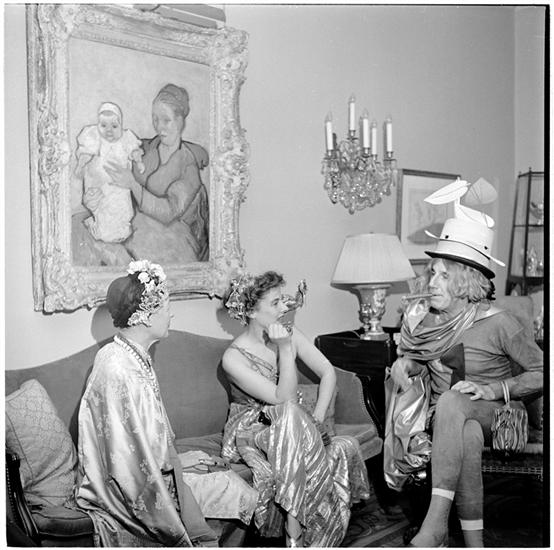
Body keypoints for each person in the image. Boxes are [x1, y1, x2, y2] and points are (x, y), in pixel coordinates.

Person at [390, 186, 543, 547]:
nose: (432, 283)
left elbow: (543, 372)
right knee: (467, 433)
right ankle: (475, 544)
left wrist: (492, 389)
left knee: (453, 403)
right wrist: (407, 365)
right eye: (432, 274)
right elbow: (424, 361)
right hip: (453, 421)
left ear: (465, 280)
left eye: (444, 276)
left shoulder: (501, 322)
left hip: (504, 418)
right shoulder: (428, 321)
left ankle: (434, 525)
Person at [75, 260, 256, 546]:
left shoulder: (131, 354)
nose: (171, 314)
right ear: (146, 316)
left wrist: (178, 460)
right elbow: (125, 457)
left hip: (150, 468)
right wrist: (174, 468)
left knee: (226, 478)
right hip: (130, 488)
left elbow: (142, 439)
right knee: (234, 489)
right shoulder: (118, 367)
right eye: (166, 307)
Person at [221, 271, 370, 547]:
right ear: (251, 311)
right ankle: (294, 522)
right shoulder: (233, 358)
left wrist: (319, 417)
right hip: (253, 429)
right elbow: (284, 398)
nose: (284, 308)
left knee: (336, 442)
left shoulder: (287, 332)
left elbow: (327, 372)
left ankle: (300, 526)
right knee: (289, 413)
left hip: (293, 424)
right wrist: (286, 349)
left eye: (283, 300)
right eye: (275, 303)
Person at [101, 83, 209, 263]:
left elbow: (168, 212)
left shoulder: (188, 166)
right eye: (155, 119)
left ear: (180, 120)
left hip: (169, 238)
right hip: (131, 225)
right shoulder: (144, 147)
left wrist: (132, 184)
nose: (159, 127)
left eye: (166, 120)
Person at [75, 102, 145, 243]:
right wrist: (80, 166)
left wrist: (139, 162)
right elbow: (85, 155)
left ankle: (122, 230)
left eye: (114, 126)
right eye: (104, 126)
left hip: (119, 189)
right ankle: (98, 227)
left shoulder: (126, 139)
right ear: (98, 125)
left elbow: (134, 152)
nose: (109, 131)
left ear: (121, 125)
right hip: (101, 187)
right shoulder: (95, 139)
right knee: (104, 214)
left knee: (122, 213)